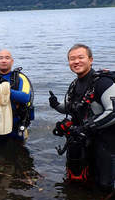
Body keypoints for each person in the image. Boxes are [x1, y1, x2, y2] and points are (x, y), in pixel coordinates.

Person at [49, 43, 115, 191]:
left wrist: (87, 126)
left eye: (80, 57)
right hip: (84, 139)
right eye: (72, 59)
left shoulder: (103, 82)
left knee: (105, 185)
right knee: (83, 180)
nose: (76, 61)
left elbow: (113, 112)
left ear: (90, 60)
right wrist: (56, 105)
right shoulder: (74, 84)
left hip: (105, 142)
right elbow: (71, 107)